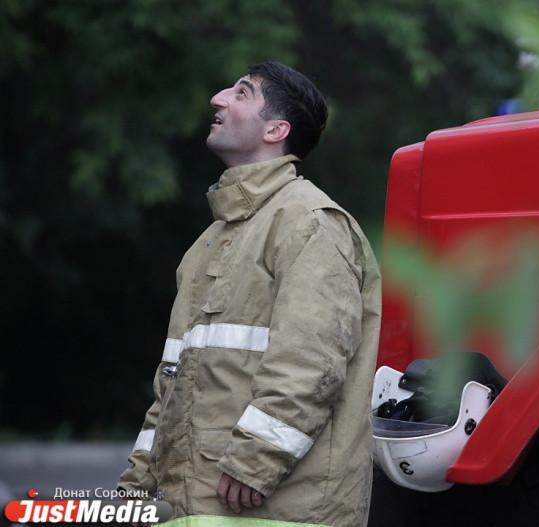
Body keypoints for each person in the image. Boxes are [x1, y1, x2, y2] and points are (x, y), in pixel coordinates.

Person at [118, 61, 382, 527]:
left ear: (276, 129)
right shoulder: (208, 244)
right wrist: (136, 487)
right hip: (192, 507)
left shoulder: (309, 222)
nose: (218, 99)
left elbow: (313, 360)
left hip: (279, 509)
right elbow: (173, 383)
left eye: (241, 93)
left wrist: (257, 459)